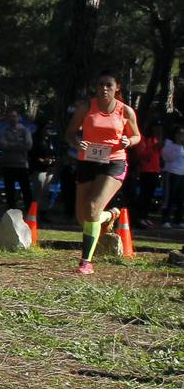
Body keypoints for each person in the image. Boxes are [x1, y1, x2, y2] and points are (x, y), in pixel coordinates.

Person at [64, 75, 141, 275]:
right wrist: (76, 142)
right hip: (87, 162)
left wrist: (128, 142)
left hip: (114, 162)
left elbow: (137, 135)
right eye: (100, 85)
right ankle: (111, 215)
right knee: (83, 217)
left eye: (109, 85)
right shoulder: (86, 107)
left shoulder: (125, 110)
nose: (104, 88)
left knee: (91, 209)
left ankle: (86, 262)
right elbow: (70, 132)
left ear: (117, 88)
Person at [126, 122, 163, 229]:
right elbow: (141, 155)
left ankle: (145, 217)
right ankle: (139, 217)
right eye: (156, 128)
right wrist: (153, 149)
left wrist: (158, 148)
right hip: (145, 171)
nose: (158, 131)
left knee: (149, 196)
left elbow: (158, 155)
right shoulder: (143, 139)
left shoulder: (155, 139)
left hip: (155, 171)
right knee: (143, 195)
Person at [0, 109, 34, 213]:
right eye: (10, 116)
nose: (12, 118)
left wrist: (11, 145)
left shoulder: (25, 130)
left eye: (14, 116)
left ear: (18, 117)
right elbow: (2, 145)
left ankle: (29, 211)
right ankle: (11, 211)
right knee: (9, 191)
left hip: (22, 165)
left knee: (26, 189)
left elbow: (28, 145)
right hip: (7, 165)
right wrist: (18, 144)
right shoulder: (4, 131)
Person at [161, 126, 184, 228]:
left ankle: (178, 220)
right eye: (179, 133)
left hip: (182, 174)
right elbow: (167, 158)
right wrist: (177, 145)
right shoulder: (169, 144)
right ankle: (165, 219)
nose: (181, 136)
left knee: (180, 198)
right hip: (171, 173)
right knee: (169, 197)